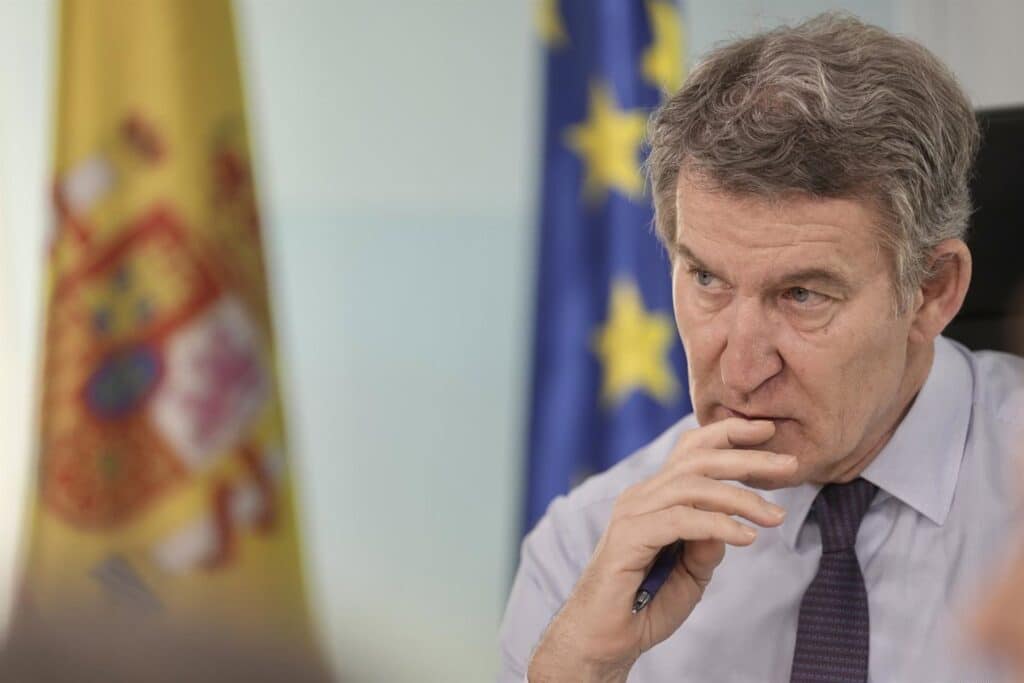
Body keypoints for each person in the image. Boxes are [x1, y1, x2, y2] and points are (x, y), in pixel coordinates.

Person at [500, 13, 1024, 682]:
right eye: (707, 279)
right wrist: (581, 669)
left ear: (932, 291)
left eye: (802, 294)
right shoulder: (583, 548)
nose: (742, 370)